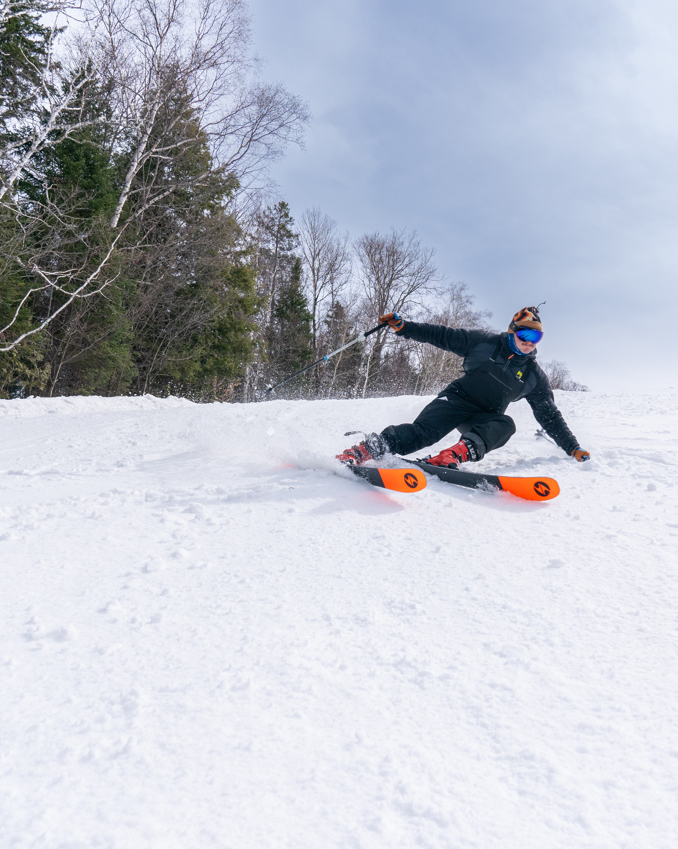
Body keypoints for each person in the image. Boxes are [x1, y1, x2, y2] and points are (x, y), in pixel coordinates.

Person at [336, 305, 590, 467]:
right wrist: (405, 328)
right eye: (525, 334)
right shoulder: (485, 343)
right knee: (422, 434)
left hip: (484, 416)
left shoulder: (534, 377)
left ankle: (452, 455)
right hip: (456, 400)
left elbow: (550, 416)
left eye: (536, 337)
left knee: (506, 425)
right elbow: (443, 335)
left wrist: (573, 447)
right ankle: (363, 451)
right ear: (512, 331)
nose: (529, 341)